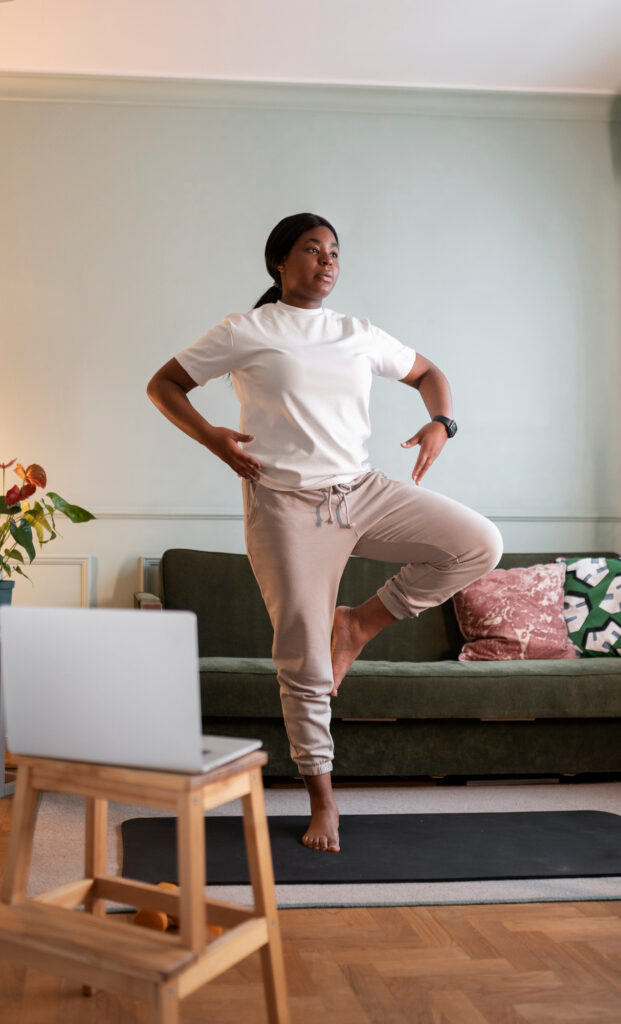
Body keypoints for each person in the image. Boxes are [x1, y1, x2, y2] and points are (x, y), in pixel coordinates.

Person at [147, 212, 503, 853]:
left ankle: (358, 625)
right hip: (285, 509)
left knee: (479, 543)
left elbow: (428, 372)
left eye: (336, 251)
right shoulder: (246, 330)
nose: (328, 261)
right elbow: (164, 384)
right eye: (313, 250)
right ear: (279, 263)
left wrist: (440, 423)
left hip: (362, 491)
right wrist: (212, 438)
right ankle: (324, 800)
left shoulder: (357, 333)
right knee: (306, 666)